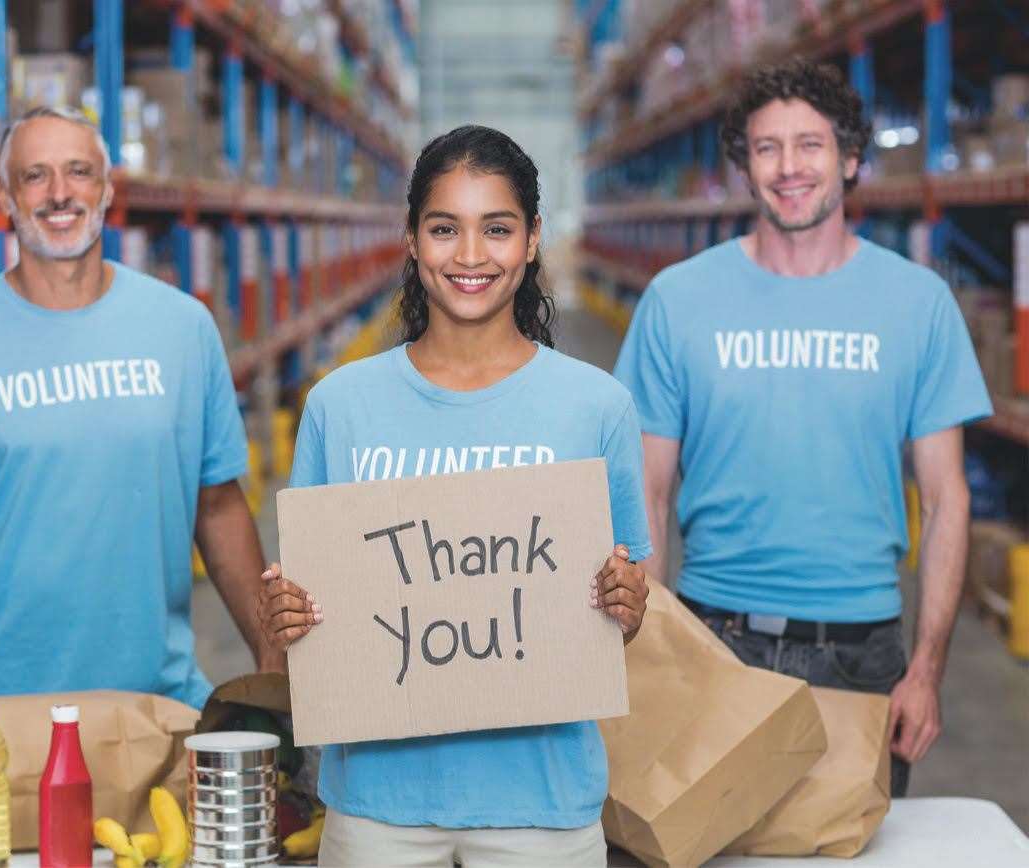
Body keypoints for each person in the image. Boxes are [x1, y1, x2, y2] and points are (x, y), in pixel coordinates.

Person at [258, 125, 651, 866]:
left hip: (542, 807)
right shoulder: (340, 407)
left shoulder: (595, 408)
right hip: (379, 808)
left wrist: (627, 605)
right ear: (411, 239)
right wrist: (281, 615)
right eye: (445, 229)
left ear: (532, 239)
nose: (470, 256)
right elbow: (312, 606)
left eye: (496, 229)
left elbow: (623, 609)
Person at [613, 59, 992, 797]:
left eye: (810, 145)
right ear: (744, 169)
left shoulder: (918, 304)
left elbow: (948, 500)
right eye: (766, 148)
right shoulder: (677, 301)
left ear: (850, 159)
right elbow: (645, 494)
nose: (789, 167)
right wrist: (647, 660)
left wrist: (927, 669)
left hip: (863, 654)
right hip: (712, 638)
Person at [0, 106, 282, 736]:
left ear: (108, 188)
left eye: (78, 172)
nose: (59, 193)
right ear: (5, 197)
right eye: (34, 176)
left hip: (156, 705)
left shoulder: (182, 329)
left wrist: (271, 661)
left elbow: (220, 507)